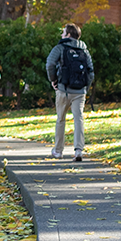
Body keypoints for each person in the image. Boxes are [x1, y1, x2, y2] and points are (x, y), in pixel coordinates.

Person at [44, 23, 94, 161]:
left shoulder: (60, 48)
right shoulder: (84, 50)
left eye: (63, 32)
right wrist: (85, 87)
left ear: (68, 35)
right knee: (78, 119)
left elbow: (49, 64)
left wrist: (53, 80)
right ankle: (78, 150)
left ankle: (58, 151)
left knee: (61, 119)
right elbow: (90, 71)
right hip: (80, 91)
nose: (61, 35)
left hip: (63, 89)